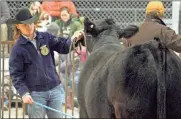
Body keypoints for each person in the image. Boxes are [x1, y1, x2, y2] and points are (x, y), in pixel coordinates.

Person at [7, 8, 83, 118]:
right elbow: (16, 74)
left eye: (30, 23)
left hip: (55, 88)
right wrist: (24, 93)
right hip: (35, 94)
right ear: (18, 26)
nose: (29, 27)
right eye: (25, 25)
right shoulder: (17, 49)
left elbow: (63, 46)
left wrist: (74, 39)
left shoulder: (46, 37)